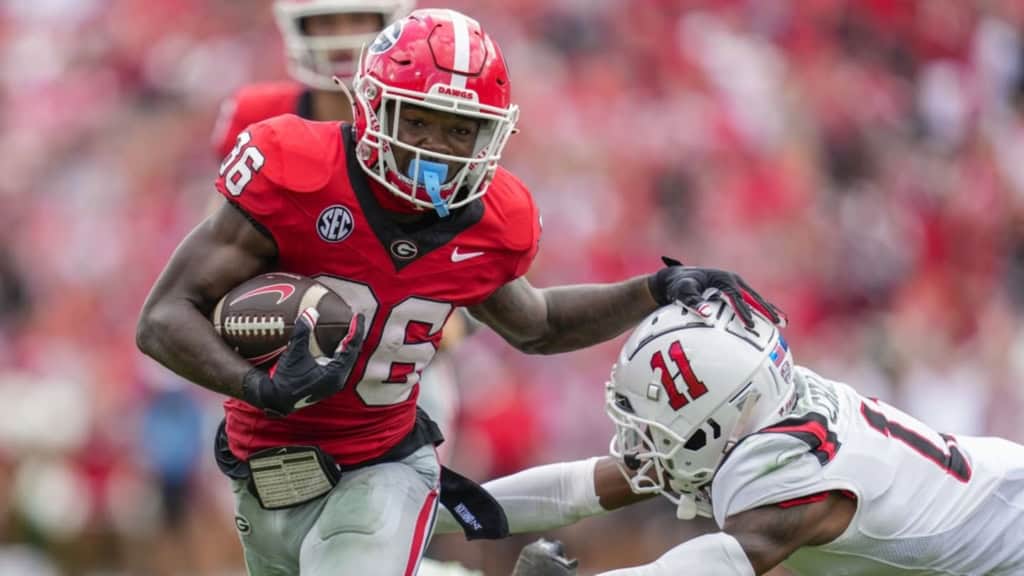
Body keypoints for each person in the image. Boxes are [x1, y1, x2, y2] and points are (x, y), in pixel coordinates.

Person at [136, 8, 781, 576]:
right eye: (416, 121)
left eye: (458, 130)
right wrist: (258, 388)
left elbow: (539, 323)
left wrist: (654, 286)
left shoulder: (491, 220)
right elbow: (164, 316)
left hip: (380, 467)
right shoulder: (293, 168)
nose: (435, 149)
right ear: (372, 107)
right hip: (261, 471)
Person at [485, 300, 1024, 576]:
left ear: (720, 417)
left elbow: (704, 569)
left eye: (660, 419)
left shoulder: (790, 475)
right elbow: (584, 488)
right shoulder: (759, 411)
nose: (642, 438)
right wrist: (445, 503)